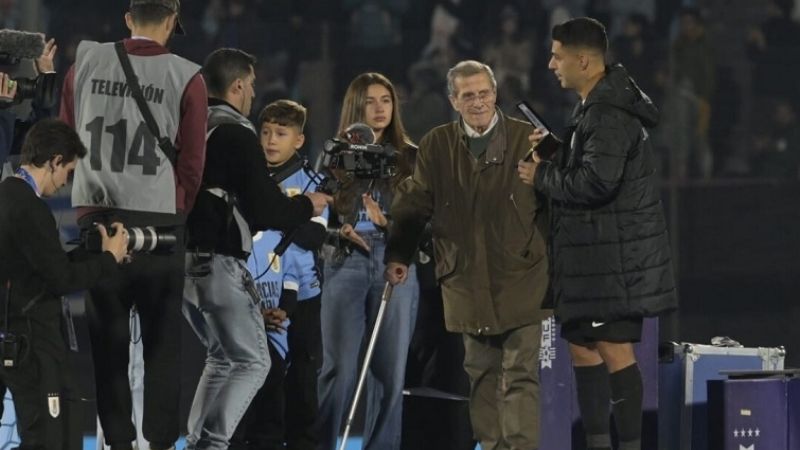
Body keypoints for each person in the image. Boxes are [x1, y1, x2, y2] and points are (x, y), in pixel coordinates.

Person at [517, 17, 678, 450]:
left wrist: (542, 174)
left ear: (583, 61)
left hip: (611, 263)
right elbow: (594, 166)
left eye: (557, 56)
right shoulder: (595, 106)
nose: (551, 64)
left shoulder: (607, 113)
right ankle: (597, 442)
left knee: (613, 351)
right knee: (584, 349)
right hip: (591, 261)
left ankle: (628, 444)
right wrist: (557, 151)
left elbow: (597, 184)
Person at [58, 1, 208, 449]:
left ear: (128, 19)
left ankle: (117, 443)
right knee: (163, 349)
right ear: (170, 22)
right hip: (160, 224)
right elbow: (194, 163)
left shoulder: (82, 65)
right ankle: (161, 444)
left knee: (108, 347)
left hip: (99, 223)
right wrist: (175, 207)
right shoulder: (188, 76)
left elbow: (65, 139)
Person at [384, 60, 550, 450]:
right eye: (468, 95)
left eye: (485, 93)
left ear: (496, 95)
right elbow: (414, 205)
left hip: (523, 278)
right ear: (453, 101)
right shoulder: (436, 144)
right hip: (464, 279)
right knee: (481, 375)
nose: (478, 102)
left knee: (522, 374)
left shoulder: (530, 139)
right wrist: (399, 255)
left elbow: (558, 201)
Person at [182, 48, 330, 450]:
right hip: (218, 260)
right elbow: (265, 208)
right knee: (253, 361)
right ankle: (210, 444)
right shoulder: (236, 131)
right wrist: (306, 205)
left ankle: (197, 440)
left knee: (221, 358)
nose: (252, 94)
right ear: (238, 85)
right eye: (250, 86)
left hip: (183, 260)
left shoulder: (189, 124)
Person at [0, 118, 128, 450]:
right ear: (55, 161)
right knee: (46, 439)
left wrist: (90, 255)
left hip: (10, 335)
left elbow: (41, 265)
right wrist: (109, 260)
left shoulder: (5, 196)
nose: (64, 182)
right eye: (68, 172)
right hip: (31, 344)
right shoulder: (30, 207)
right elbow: (60, 279)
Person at [316, 72, 420, 450]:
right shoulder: (334, 153)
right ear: (354, 108)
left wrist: (387, 222)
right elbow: (316, 211)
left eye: (386, 100)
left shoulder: (410, 156)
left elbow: (424, 220)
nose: (379, 109)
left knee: (389, 374)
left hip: (395, 262)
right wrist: (336, 231)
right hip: (346, 259)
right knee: (340, 369)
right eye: (369, 102)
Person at [259, 99, 327, 450]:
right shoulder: (249, 179)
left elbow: (313, 235)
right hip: (256, 299)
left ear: (298, 141)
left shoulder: (312, 181)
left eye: (281, 134)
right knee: (262, 386)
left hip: (302, 300)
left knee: (302, 382)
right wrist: (290, 215)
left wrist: (275, 213)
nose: (271, 140)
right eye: (266, 132)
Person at [230, 229, 299, 450]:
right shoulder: (231, 241)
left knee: (272, 408)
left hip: (276, 338)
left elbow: (291, 282)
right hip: (242, 339)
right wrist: (257, 317)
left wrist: (284, 311)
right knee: (239, 410)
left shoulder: (278, 239)